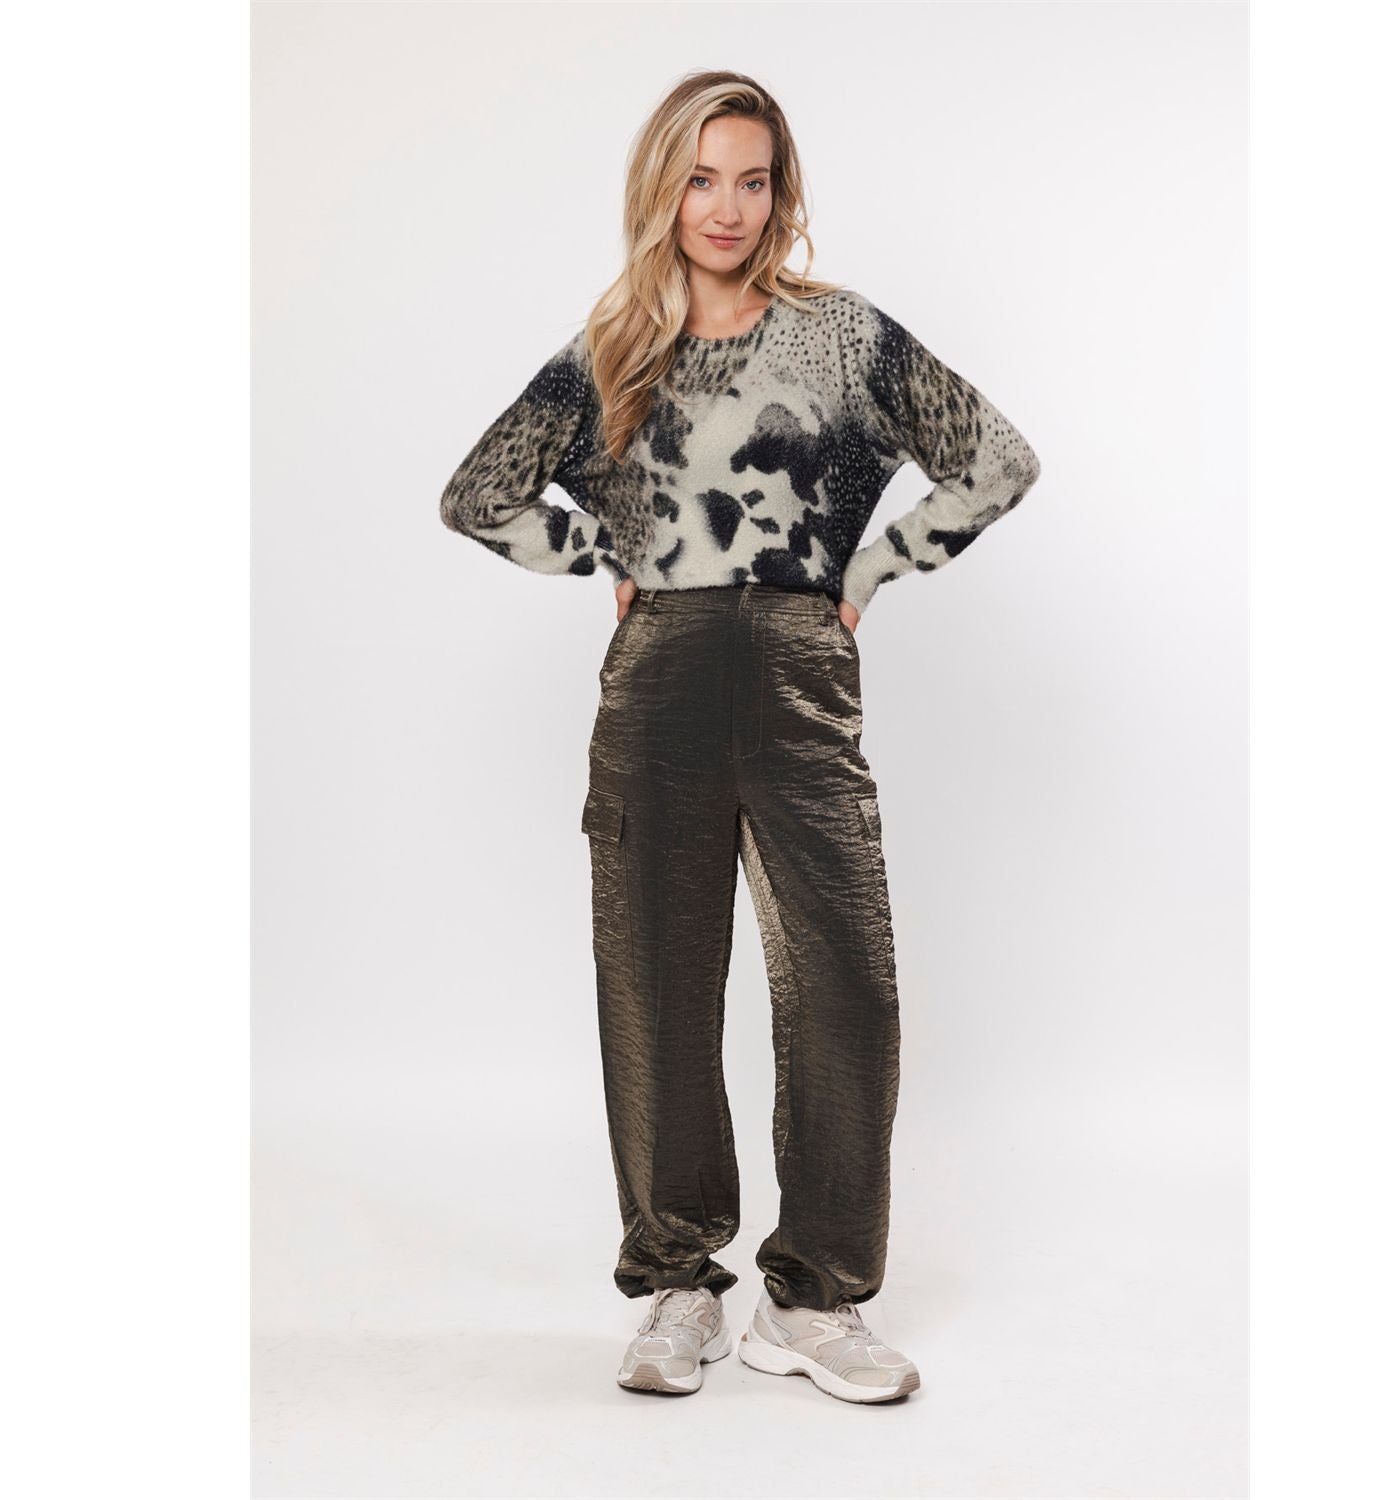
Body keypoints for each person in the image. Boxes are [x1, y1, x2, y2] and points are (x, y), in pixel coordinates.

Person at [439, 70, 1041, 1405]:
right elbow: (476, 493)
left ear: (781, 193)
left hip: (801, 675)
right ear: (663, 189)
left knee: (847, 986)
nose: (727, 207)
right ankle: (676, 1286)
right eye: (702, 179)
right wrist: (606, 552)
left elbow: (997, 458)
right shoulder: (613, 350)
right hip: (658, 680)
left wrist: (872, 570)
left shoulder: (842, 337)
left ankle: (815, 1299)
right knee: (656, 986)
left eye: (753, 180)